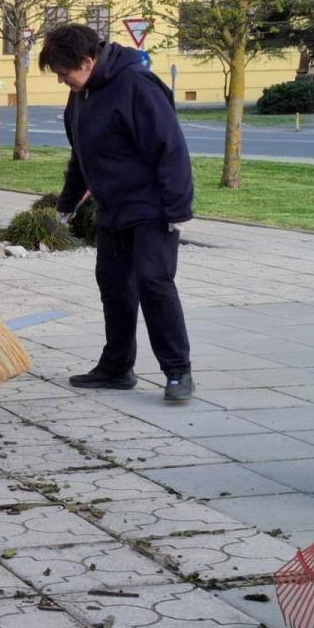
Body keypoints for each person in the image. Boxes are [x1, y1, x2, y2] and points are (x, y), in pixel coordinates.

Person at [40, 23, 194, 402]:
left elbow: (170, 148)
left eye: (64, 73)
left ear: (88, 61)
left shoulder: (137, 86)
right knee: (113, 285)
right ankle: (117, 367)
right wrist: (67, 202)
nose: (62, 82)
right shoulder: (82, 94)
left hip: (151, 207)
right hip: (112, 208)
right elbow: (81, 154)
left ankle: (178, 373)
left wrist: (177, 209)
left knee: (153, 283)